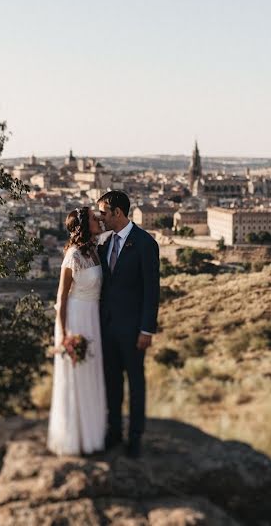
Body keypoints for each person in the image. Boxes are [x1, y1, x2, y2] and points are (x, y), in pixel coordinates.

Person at [97, 190, 160, 459]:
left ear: (117, 213)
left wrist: (147, 329)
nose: (100, 218)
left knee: (135, 384)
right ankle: (114, 432)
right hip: (107, 327)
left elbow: (151, 290)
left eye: (103, 213)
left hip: (133, 328)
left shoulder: (146, 243)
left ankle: (135, 437)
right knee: (112, 382)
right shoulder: (104, 242)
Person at [47, 206, 108, 455]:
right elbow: (61, 297)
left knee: (92, 371)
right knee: (79, 372)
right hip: (77, 317)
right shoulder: (72, 255)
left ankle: (92, 434)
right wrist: (64, 335)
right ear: (84, 225)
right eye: (94, 218)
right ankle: (76, 438)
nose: (98, 220)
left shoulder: (94, 249)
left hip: (92, 316)